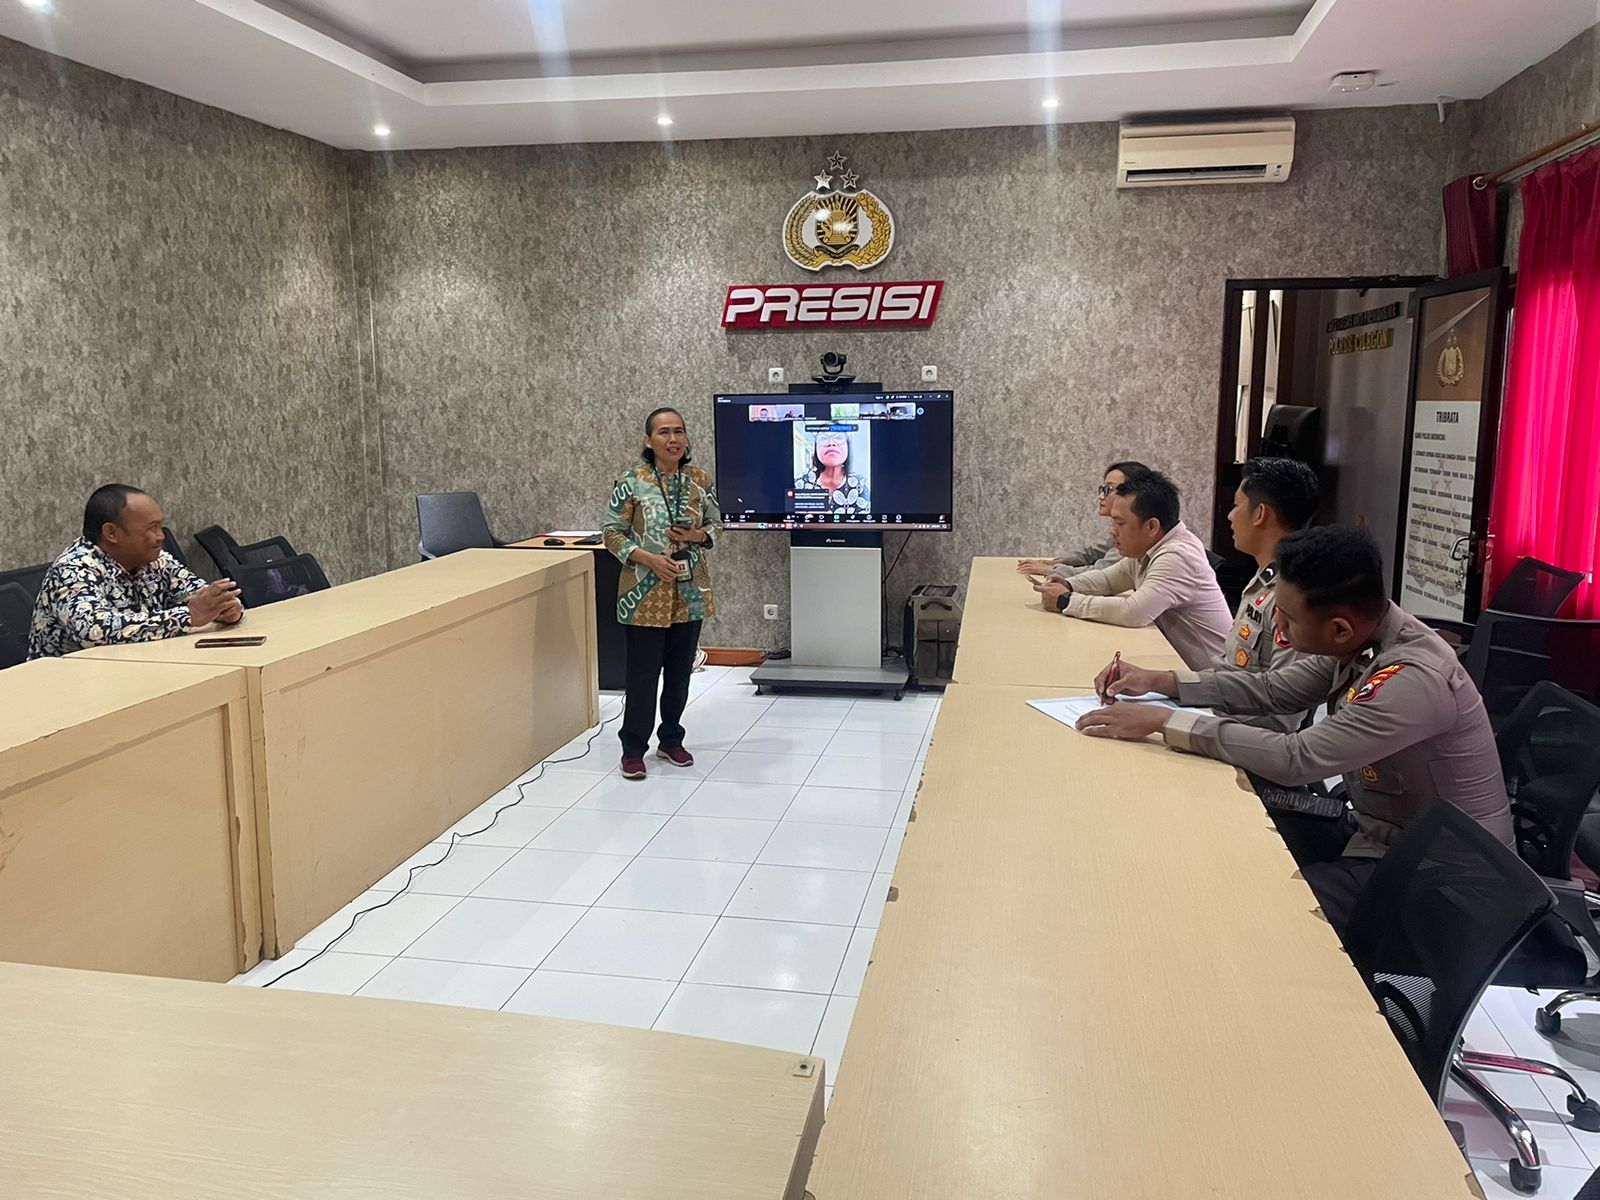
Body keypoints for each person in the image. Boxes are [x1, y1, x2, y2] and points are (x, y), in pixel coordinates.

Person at [1076, 525, 1512, 932]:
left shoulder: (1412, 679)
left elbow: (1298, 757)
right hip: (1380, 834)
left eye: (1287, 618)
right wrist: (1162, 681)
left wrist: (1166, 721)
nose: (1279, 629)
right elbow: (1274, 690)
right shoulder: (1368, 635)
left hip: (1445, 879)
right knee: (1230, 849)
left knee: (1263, 911)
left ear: (1338, 629)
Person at [603, 407, 723, 780]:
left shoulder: (699, 479)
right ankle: (633, 748)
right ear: (648, 440)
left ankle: (670, 739)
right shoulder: (632, 480)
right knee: (642, 675)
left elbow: (717, 524)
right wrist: (650, 560)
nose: (673, 439)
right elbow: (611, 533)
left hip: (689, 593)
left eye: (679, 431)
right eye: (664, 432)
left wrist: (698, 535)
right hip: (643, 593)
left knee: (679, 672)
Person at [1032, 471, 1232, 669]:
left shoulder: (1178, 555)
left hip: (1213, 679)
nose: (1112, 530)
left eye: (1120, 523)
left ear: (1151, 526)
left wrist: (1066, 600)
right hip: (1183, 668)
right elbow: (1108, 580)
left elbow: (1134, 613)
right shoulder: (1149, 547)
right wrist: (1068, 584)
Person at [28, 485, 242, 659]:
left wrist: (224, 609)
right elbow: (94, 631)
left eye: (160, 527)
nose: (161, 536)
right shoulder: (74, 568)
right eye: (151, 528)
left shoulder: (156, 560)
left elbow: (200, 597)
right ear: (111, 533)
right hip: (70, 685)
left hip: (140, 669)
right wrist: (187, 616)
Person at [1213, 456, 1326, 732]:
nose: (1230, 516)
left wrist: (1200, 713)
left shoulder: (1294, 592)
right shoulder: (1266, 574)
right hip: (1222, 713)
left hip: (1246, 741)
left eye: (1237, 505)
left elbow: (1282, 716)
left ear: (1260, 513)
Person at [1016, 460, 1148, 581]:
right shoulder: (1121, 527)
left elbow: (1101, 574)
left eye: (1109, 489)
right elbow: (1094, 553)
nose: (1101, 496)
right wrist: (1059, 562)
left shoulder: (1136, 531)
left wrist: (1051, 570)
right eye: (1102, 489)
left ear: (1134, 494)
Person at [793, 429, 870, 513]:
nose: (831, 443)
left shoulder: (860, 486)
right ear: (816, 448)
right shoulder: (800, 483)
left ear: (847, 447)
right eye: (823, 438)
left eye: (839, 438)